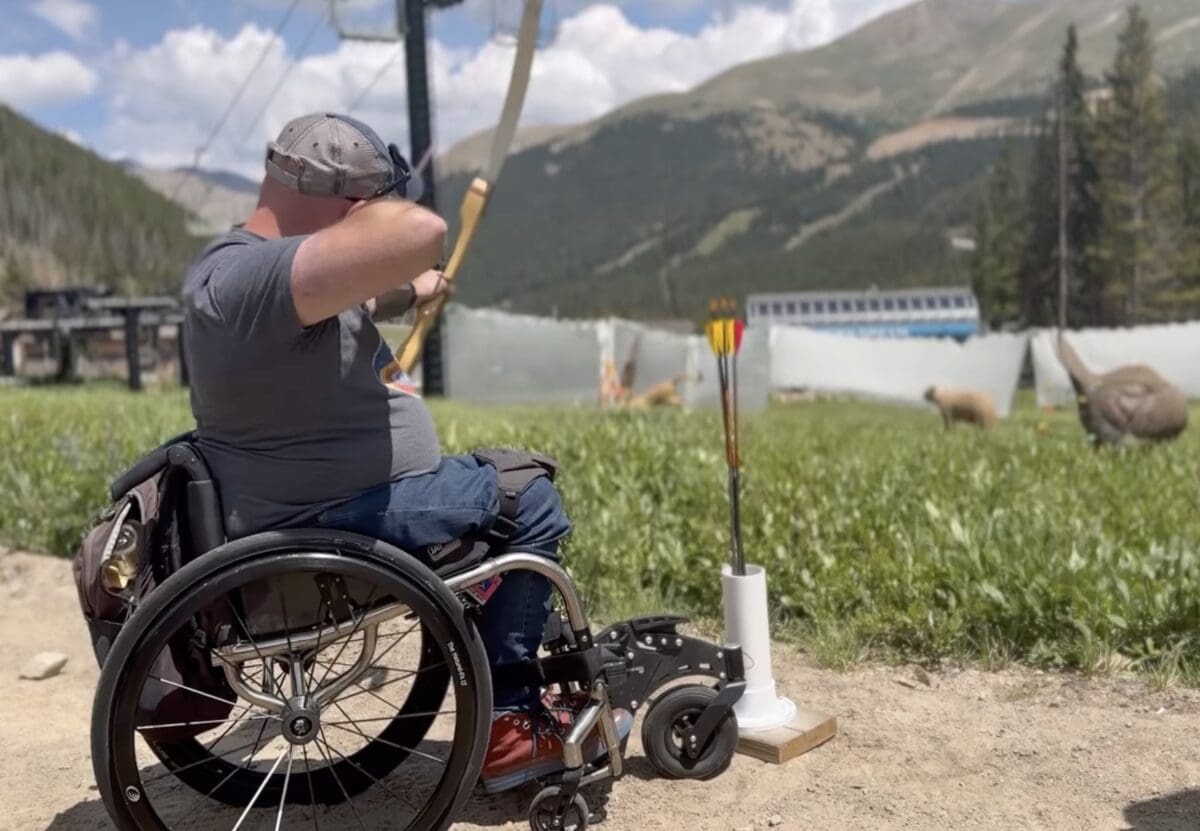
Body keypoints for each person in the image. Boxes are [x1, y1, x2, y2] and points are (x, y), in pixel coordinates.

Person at [180, 112, 630, 792]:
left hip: (321, 504)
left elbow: (329, 299)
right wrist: (391, 235)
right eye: (367, 206)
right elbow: (423, 233)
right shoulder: (248, 280)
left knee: (491, 488)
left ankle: (492, 651)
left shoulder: (255, 275)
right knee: (526, 494)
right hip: (334, 517)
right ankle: (508, 722)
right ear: (353, 208)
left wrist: (410, 291)